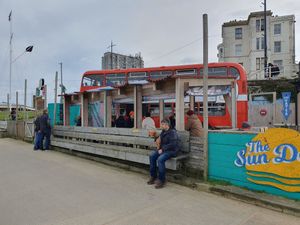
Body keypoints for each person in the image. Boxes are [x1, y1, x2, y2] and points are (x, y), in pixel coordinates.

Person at [147, 119, 179, 189]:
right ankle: (153, 176)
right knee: (152, 156)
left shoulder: (173, 132)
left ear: (166, 125)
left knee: (160, 159)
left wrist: (163, 149)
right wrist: (155, 138)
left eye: (162, 124)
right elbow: (160, 140)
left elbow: (173, 144)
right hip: (163, 150)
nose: (161, 126)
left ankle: (162, 180)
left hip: (171, 151)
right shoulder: (163, 131)